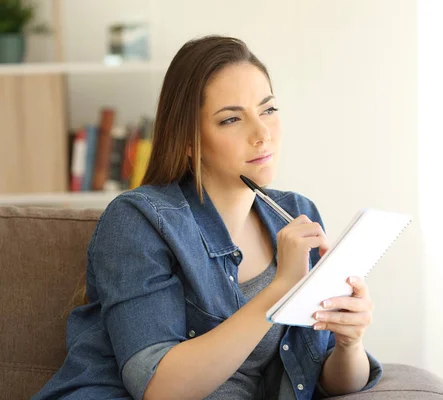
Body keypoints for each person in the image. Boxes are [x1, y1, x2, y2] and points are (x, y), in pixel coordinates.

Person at [33, 35, 382, 400]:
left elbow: (323, 379)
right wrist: (280, 288)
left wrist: (349, 343)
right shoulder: (138, 220)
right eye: (231, 119)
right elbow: (158, 387)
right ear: (189, 139)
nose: (262, 134)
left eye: (268, 110)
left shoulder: (298, 215)